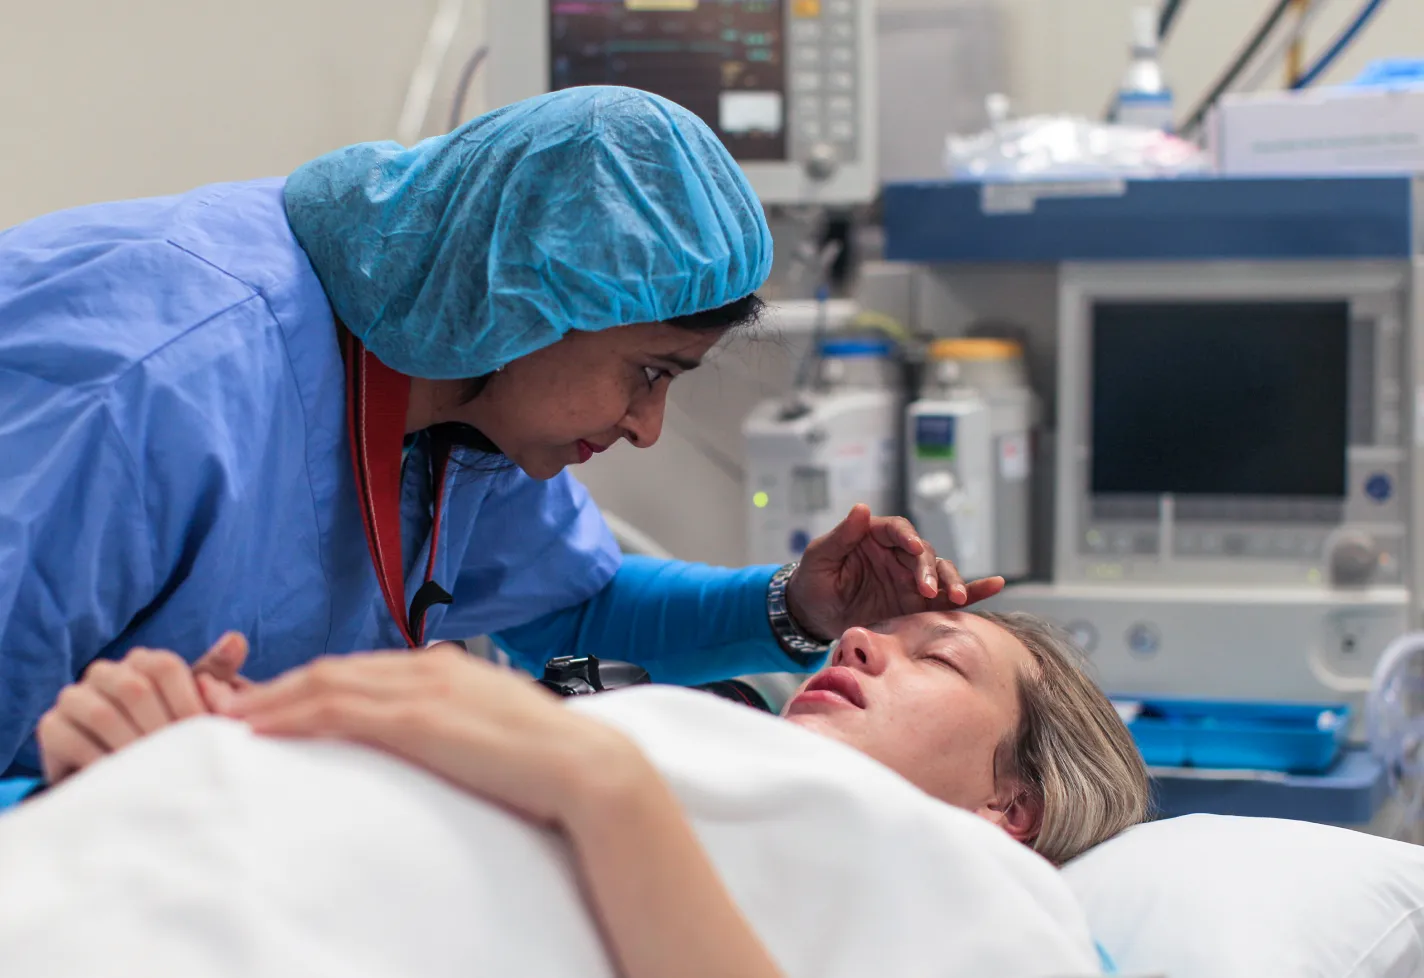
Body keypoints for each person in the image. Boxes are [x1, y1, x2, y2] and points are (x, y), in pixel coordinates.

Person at [0, 84, 1000, 783]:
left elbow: (563, 607)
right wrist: (92, 793)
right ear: (530, 303)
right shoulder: (142, 387)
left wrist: (794, 606)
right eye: (646, 374)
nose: (645, 428)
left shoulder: (459, 380)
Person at [8, 608, 1150, 978]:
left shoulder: (1005, 902)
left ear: (1016, 805)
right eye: (875, 627)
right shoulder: (684, 737)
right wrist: (148, 749)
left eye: (938, 656)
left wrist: (602, 790)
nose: (857, 635)